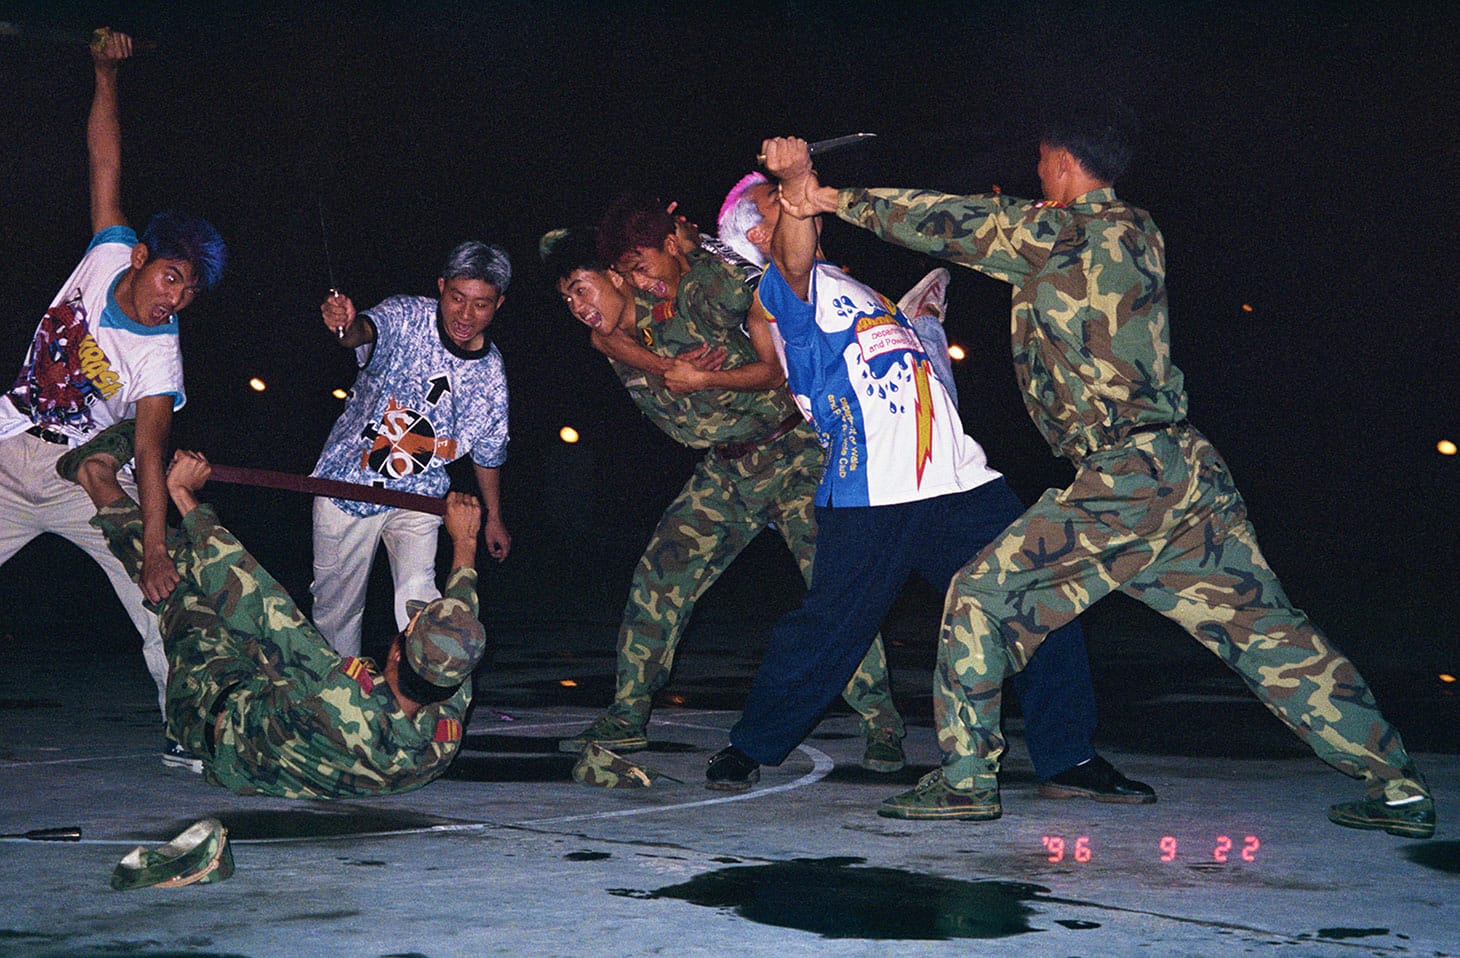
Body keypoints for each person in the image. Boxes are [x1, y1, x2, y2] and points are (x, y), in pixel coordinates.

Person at [796, 106, 1434, 837]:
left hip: (1125, 474)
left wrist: (827, 199)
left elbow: (954, 222)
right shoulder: (1138, 230)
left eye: (1042, 164)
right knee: (1267, 633)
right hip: (1182, 472)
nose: (1037, 177)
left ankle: (966, 779)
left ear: (1064, 163)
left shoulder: (1067, 234)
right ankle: (1397, 785)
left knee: (979, 594)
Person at [701, 139, 1150, 806]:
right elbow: (793, 263)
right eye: (779, 203)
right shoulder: (778, 293)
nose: (798, 203)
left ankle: (1068, 758)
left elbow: (914, 366)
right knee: (829, 633)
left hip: (960, 484)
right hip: (871, 494)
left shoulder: (854, 287)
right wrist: (796, 175)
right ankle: (751, 744)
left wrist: (925, 324)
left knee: (1039, 602)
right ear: (762, 233)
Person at [543, 225, 906, 771]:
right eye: (567, 296)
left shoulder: (686, 298)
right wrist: (668, 369)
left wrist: (704, 243)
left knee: (835, 586)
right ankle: (626, 717)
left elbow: (752, 295)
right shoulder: (613, 336)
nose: (577, 305)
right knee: (659, 577)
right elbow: (605, 338)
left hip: (793, 456)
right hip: (727, 473)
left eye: (582, 287)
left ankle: (881, 721)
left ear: (619, 275)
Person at [0, 28, 226, 768]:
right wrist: (104, 72)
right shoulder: (107, 249)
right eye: (171, 278)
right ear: (140, 257)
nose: (176, 299)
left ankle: (184, 726)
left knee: (158, 596)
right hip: (9, 450)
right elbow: (105, 156)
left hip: (84, 483)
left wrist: (156, 548)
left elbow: (153, 453)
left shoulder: (160, 355)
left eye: (190, 291)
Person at [64, 421, 486, 799]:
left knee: (178, 579)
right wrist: (464, 542)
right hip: (277, 752)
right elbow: (459, 633)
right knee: (264, 643)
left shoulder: (339, 692)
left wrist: (183, 495)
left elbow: (258, 601)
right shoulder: (439, 739)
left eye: (411, 626)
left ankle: (94, 474)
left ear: (397, 652)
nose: (411, 620)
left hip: (210, 712)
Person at [311, 242, 512, 660]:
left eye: (480, 305)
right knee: (337, 612)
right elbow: (361, 332)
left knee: (420, 598)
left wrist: (494, 517)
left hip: (419, 494)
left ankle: (422, 700)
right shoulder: (406, 316)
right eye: (457, 298)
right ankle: (337, 709)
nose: (465, 315)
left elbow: (489, 453)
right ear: (441, 287)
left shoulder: (492, 374)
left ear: (498, 305)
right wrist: (345, 324)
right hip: (348, 486)